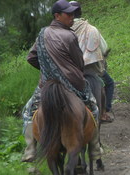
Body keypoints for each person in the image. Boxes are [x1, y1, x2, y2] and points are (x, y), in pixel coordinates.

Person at [21, 0, 101, 162]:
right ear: (57, 16)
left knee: (28, 111)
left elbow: (31, 58)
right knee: (93, 107)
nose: (72, 17)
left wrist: (47, 69)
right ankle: (95, 149)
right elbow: (79, 62)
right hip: (73, 83)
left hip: (47, 84)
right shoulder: (69, 35)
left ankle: (30, 150)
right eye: (68, 14)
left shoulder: (42, 33)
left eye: (73, 14)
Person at [70, 1, 114, 123]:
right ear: (80, 13)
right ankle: (105, 112)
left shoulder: (63, 29)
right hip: (89, 69)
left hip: (68, 69)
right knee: (109, 83)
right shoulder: (91, 29)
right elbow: (104, 48)